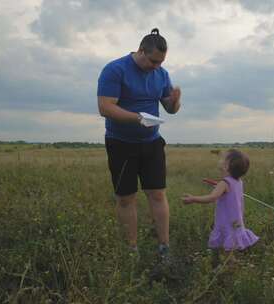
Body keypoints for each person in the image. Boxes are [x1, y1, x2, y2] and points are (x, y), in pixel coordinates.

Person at [97, 28, 181, 261]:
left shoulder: (161, 74)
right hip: (120, 143)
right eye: (153, 61)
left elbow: (170, 109)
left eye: (161, 62)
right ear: (141, 51)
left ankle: (164, 247)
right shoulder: (115, 70)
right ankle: (131, 250)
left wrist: (175, 102)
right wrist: (137, 117)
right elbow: (105, 107)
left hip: (151, 142)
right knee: (126, 197)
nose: (157, 66)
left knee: (157, 194)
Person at [182, 149, 259, 255]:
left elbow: (212, 198)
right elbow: (238, 199)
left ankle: (231, 267)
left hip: (226, 220)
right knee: (231, 243)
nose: (220, 160)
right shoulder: (238, 182)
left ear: (227, 166)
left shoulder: (224, 183)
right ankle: (232, 263)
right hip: (236, 219)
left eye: (223, 159)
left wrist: (193, 198)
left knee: (228, 249)